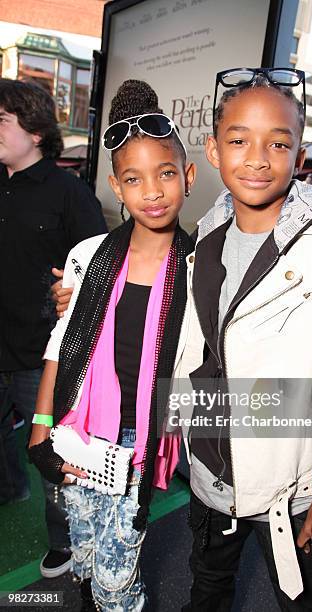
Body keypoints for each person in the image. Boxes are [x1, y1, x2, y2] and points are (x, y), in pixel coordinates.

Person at [171, 68, 312, 611]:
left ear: (299, 159)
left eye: (277, 143)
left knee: (304, 601)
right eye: (238, 140)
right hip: (210, 470)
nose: (256, 157)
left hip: (295, 489)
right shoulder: (206, 235)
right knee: (206, 587)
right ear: (213, 150)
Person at [28, 80, 196, 611]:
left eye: (165, 173)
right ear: (116, 188)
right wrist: (41, 427)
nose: (152, 191)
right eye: (134, 179)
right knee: (82, 547)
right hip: (82, 428)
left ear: (188, 178)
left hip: (142, 439)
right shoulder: (87, 256)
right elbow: (62, 343)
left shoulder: (201, 267)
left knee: (117, 570)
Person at [0, 78, 107, 578]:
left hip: (39, 352)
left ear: (36, 129)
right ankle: (7, 489)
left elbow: (103, 269)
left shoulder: (69, 192)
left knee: (47, 453)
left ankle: (64, 541)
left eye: (2, 120)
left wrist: (73, 288)